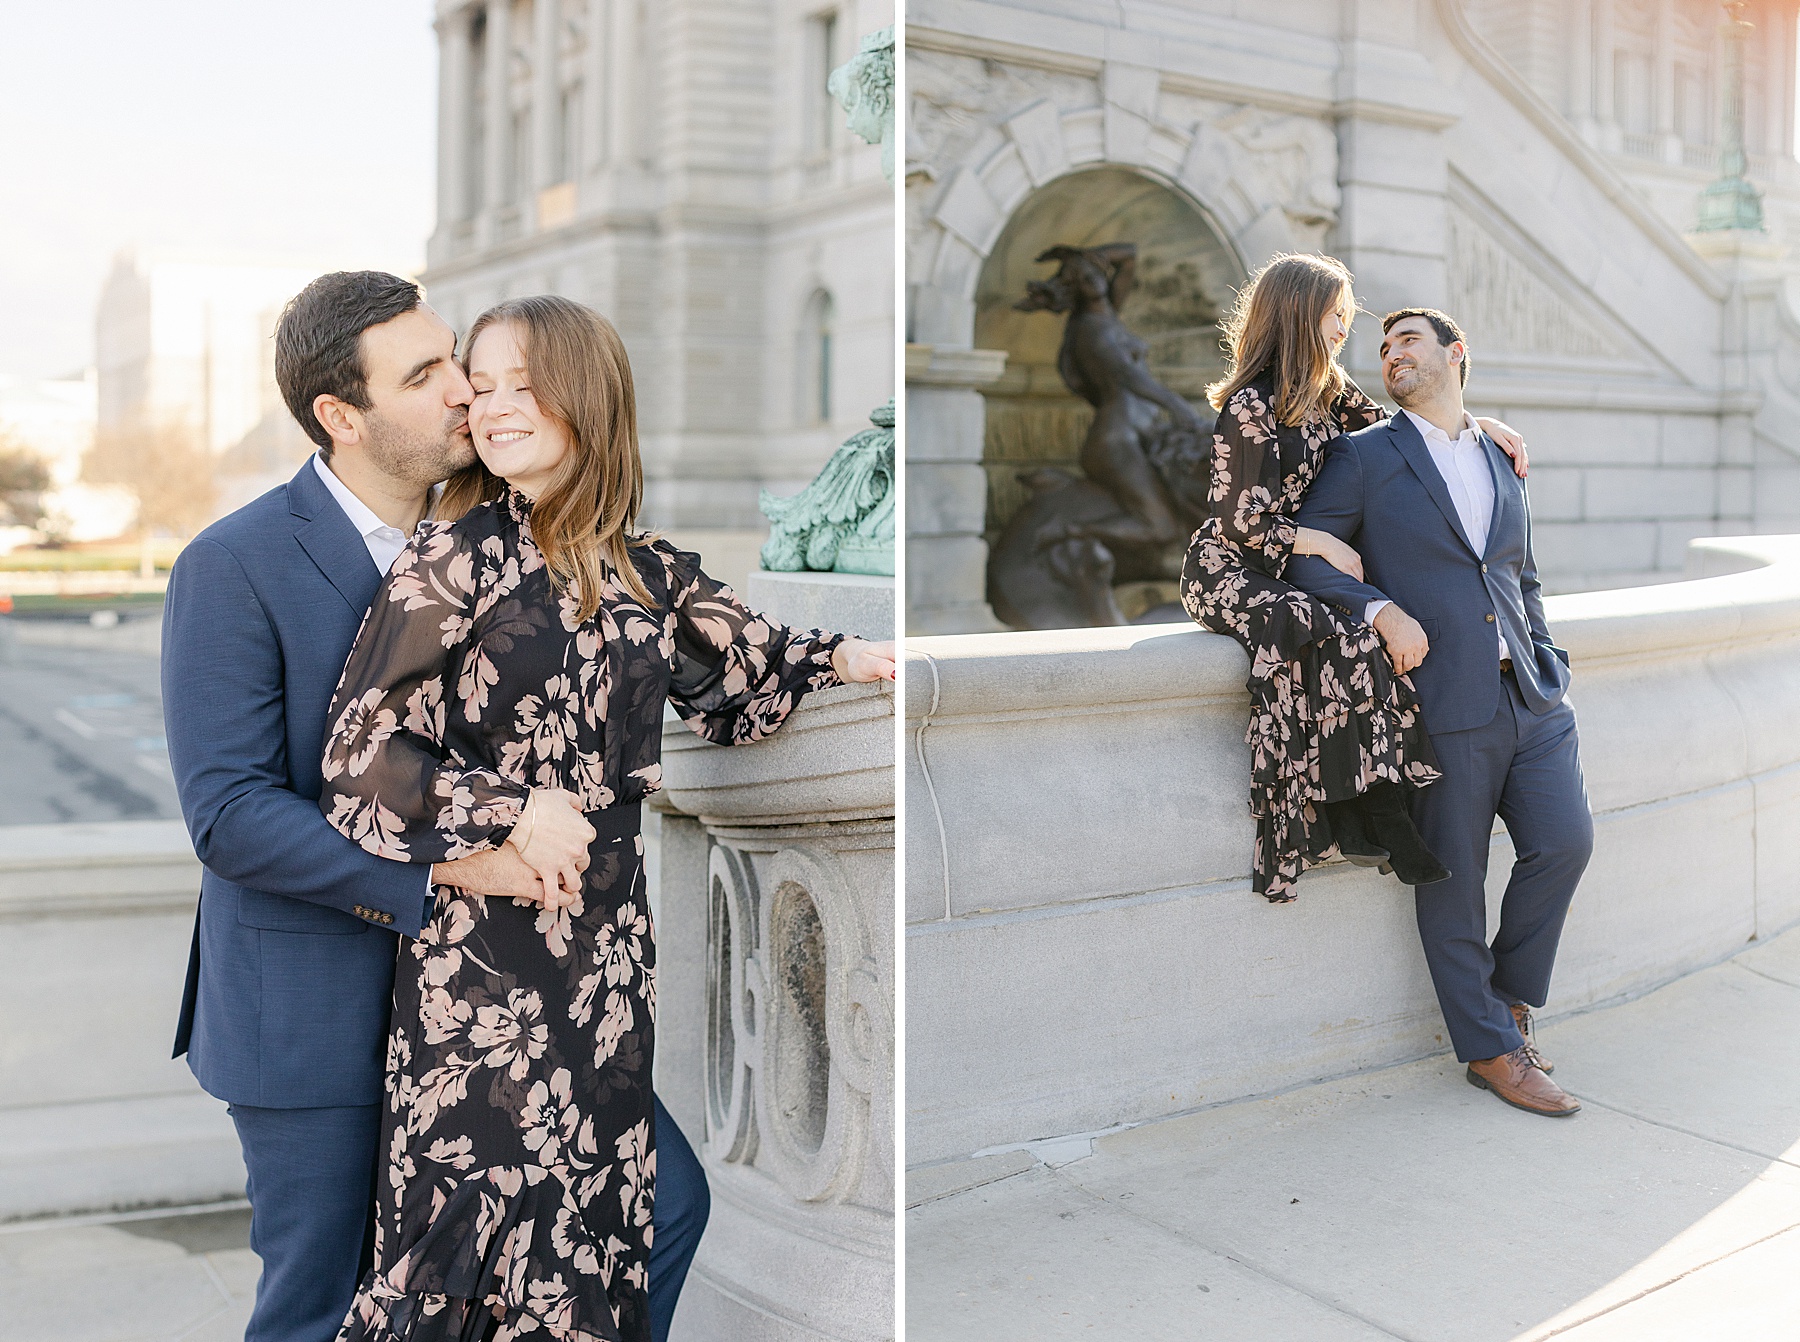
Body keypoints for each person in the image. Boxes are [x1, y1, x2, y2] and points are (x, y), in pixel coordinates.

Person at [159, 272, 730, 1342]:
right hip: (320, 1010)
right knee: (329, 1309)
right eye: (425, 375)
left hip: (509, 1002)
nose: (466, 390)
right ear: (343, 416)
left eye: (454, 357)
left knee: (660, 1215)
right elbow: (228, 814)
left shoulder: (502, 533)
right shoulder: (231, 564)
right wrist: (449, 869)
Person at [317, 293, 895, 1341]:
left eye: (522, 385)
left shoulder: (645, 568)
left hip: (608, 965)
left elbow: (750, 666)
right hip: (482, 976)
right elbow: (361, 756)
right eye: (481, 387)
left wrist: (847, 657)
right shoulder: (453, 557)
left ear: (585, 396)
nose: (493, 407)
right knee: (478, 1256)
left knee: (620, 1233)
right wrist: (511, 809)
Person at [1288, 308, 1593, 1118]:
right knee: (1454, 877)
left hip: (1533, 695)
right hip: (1441, 701)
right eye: (1384, 347)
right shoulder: (1363, 456)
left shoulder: (1498, 452)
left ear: (1456, 355)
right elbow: (1308, 559)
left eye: (1409, 341)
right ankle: (1491, 1049)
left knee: (1566, 843)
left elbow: (1521, 573)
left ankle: (1509, 1003)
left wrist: (1547, 656)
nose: (1391, 354)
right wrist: (1380, 609)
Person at [1180, 253, 1528, 902]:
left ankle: (1372, 806)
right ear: (1298, 312)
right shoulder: (1251, 402)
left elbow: (1408, 434)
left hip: (1291, 570)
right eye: (1335, 314)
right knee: (1314, 623)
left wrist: (1476, 427)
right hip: (1230, 568)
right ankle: (1344, 812)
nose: (1345, 328)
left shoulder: (1331, 392)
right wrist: (1314, 539)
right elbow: (1238, 519)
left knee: (1360, 629)